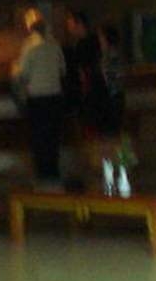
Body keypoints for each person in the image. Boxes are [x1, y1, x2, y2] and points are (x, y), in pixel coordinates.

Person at [12, 17, 66, 185]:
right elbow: (62, 70)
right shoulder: (55, 46)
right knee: (53, 136)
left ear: (32, 31)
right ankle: (54, 170)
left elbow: (22, 74)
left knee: (39, 137)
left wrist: (14, 69)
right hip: (55, 97)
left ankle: (42, 173)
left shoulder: (30, 48)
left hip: (37, 98)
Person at [62, 11, 102, 130]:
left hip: (88, 95)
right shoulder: (93, 42)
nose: (69, 28)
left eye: (70, 24)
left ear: (79, 24)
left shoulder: (84, 45)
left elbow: (84, 71)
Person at [96, 24, 126, 133]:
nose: (99, 41)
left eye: (101, 38)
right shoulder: (112, 54)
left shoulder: (110, 55)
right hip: (114, 95)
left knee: (111, 129)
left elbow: (110, 77)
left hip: (112, 96)